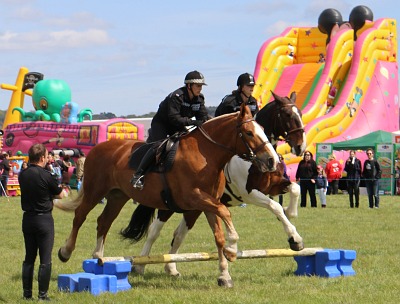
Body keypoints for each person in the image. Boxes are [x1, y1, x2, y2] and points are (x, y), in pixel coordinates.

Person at [131, 70, 209, 190]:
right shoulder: (177, 96)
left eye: (201, 86)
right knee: (158, 145)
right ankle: (138, 175)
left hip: (178, 125)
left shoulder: (199, 99)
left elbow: (203, 117)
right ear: (189, 86)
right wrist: (192, 122)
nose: (200, 89)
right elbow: (174, 118)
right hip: (162, 123)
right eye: (198, 86)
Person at [19, 143, 68, 300]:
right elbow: (61, 195)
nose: (48, 158)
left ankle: (27, 295)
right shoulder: (47, 175)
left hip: (27, 219)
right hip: (44, 220)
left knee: (29, 258)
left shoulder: (23, 174)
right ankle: (42, 295)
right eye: (47, 156)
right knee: (45, 259)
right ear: (41, 158)